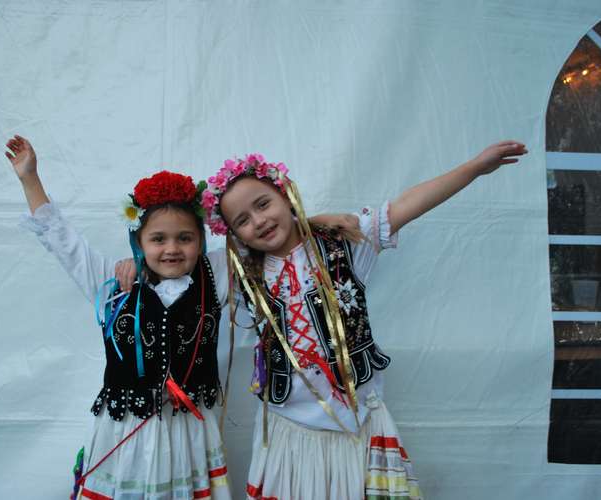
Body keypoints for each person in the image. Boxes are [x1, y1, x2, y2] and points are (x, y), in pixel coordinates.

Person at [120, 142, 528, 499]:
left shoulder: (344, 246)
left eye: (263, 204)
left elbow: (403, 207)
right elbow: (174, 256)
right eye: (242, 220)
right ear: (234, 235)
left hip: (360, 426)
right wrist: (133, 260)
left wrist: (475, 168)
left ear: (286, 195)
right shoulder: (237, 274)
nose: (258, 221)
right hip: (290, 435)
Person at [5, 135, 232, 500]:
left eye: (185, 238)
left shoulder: (216, 277)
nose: (172, 248)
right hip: (125, 433)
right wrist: (30, 179)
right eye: (158, 239)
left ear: (201, 242)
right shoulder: (114, 284)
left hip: (187, 432)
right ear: (138, 243)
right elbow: (62, 240)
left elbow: (262, 237)